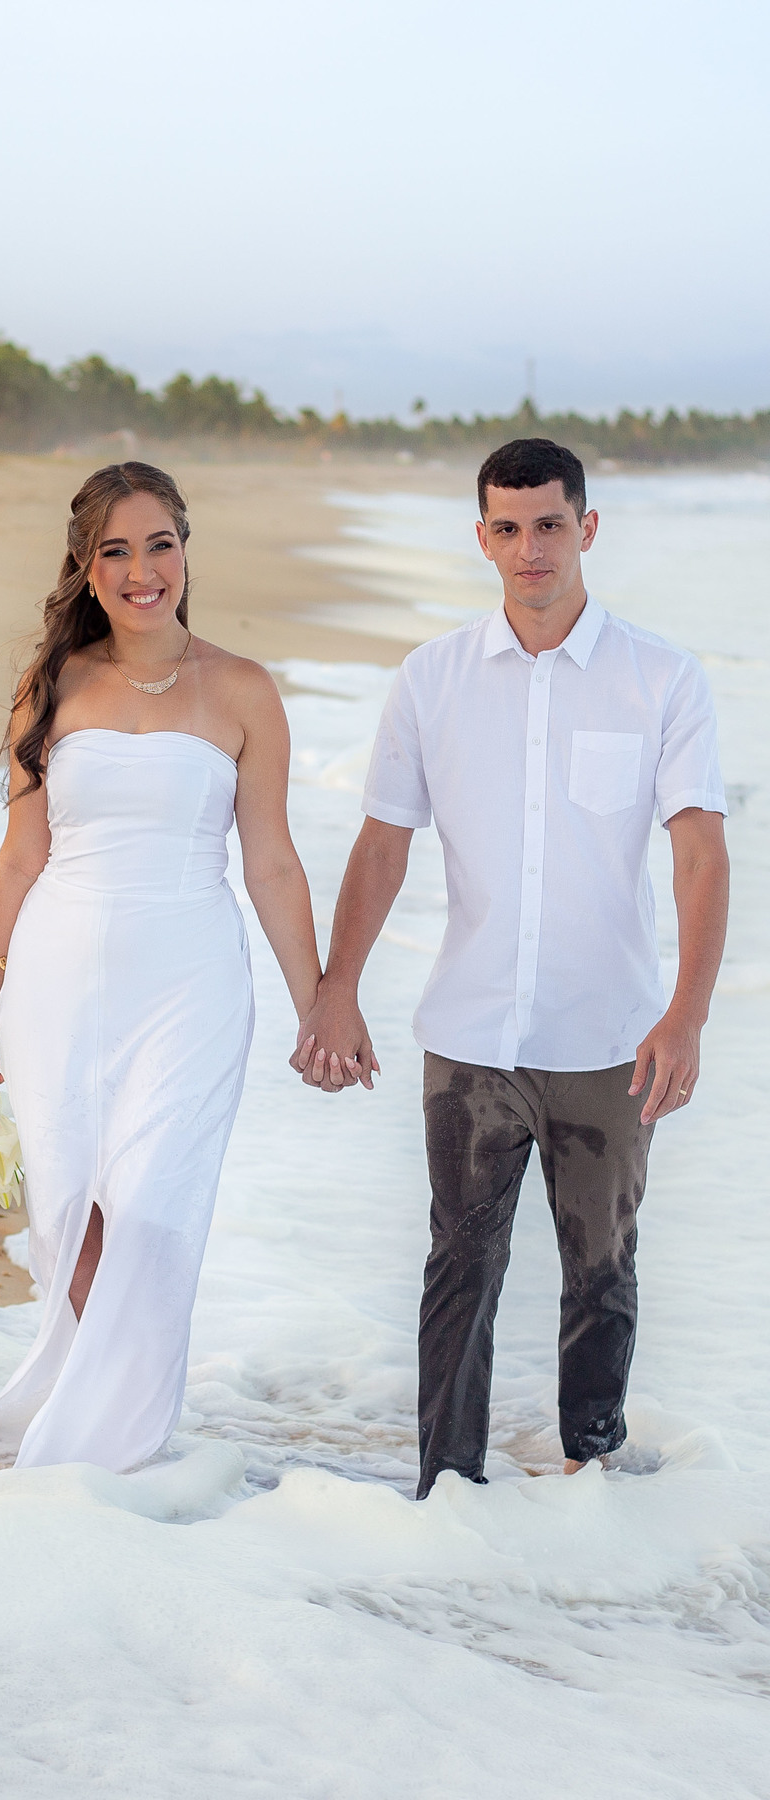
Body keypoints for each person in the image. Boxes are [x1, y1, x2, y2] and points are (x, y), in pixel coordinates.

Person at [292, 438, 730, 1499]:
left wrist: (686, 1015)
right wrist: (336, 986)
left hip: (607, 1037)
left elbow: (699, 849)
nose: (529, 548)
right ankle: (446, 1487)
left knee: (603, 1269)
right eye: (507, 527)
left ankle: (592, 1467)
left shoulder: (661, 678)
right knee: (460, 1268)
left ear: (586, 528)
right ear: (481, 538)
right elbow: (383, 842)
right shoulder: (433, 679)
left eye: (548, 524)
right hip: (472, 1033)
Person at [0, 461, 321, 1473]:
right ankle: (96, 1421)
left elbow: (274, 861)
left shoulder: (244, 689)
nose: (141, 569)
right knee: (74, 1212)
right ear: (85, 566)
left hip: (192, 982)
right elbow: (22, 855)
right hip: (58, 982)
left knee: (155, 1208)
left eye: (159, 542)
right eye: (115, 550)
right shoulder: (56, 685)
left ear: (186, 549)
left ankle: (116, 1437)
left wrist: (321, 1004)